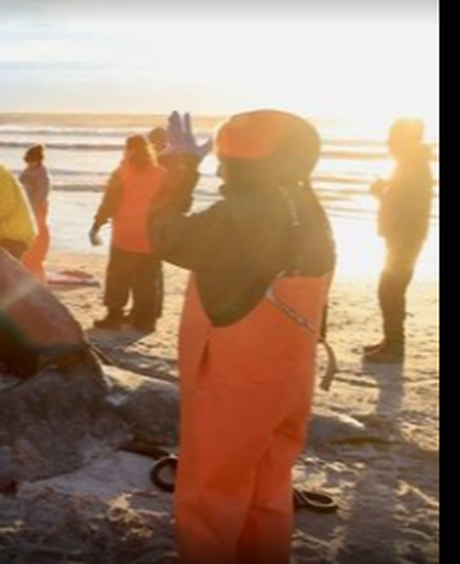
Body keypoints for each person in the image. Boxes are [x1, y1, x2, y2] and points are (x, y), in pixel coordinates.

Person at [149, 109, 335, 564]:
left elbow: (164, 235)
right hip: (290, 375)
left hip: (235, 380)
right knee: (269, 482)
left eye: (227, 159)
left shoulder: (239, 215)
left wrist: (179, 168)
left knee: (211, 489)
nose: (219, 167)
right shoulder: (307, 207)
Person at [363, 118, 433, 363]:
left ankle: (394, 346)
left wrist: (379, 193)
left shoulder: (412, 165)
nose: (389, 142)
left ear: (406, 139)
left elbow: (403, 206)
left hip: (405, 237)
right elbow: (407, 198)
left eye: (393, 137)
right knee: (392, 290)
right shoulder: (412, 163)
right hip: (405, 235)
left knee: (389, 290)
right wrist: (388, 186)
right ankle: (391, 342)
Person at [88, 133, 167, 331]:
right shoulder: (162, 174)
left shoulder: (122, 172)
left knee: (118, 277)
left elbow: (109, 203)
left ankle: (114, 318)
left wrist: (97, 224)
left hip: (125, 235)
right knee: (147, 281)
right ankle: (145, 321)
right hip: (151, 237)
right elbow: (170, 205)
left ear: (130, 149)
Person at [19, 144, 51, 281]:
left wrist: (35, 206)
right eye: (28, 161)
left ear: (38, 160)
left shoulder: (42, 173)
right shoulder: (27, 170)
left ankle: (38, 255)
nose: (29, 164)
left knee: (40, 230)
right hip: (27, 206)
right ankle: (31, 256)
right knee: (32, 231)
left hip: (38, 207)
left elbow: (44, 191)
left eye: (32, 161)